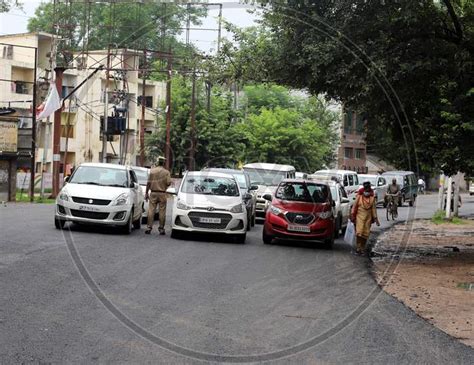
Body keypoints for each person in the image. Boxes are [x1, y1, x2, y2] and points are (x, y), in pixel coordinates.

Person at [351, 181, 380, 255]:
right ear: (364, 189)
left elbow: (373, 209)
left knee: (365, 234)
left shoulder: (372, 198)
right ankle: (358, 248)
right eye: (365, 188)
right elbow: (354, 206)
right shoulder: (359, 196)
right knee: (359, 233)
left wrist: (376, 219)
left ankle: (362, 248)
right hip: (359, 217)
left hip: (368, 218)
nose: (367, 191)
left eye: (368, 188)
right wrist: (352, 215)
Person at [145, 156, 171, 235]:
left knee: (151, 211)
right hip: (162, 193)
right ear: (163, 163)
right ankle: (161, 229)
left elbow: (148, 183)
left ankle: (149, 228)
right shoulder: (166, 172)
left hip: (153, 193)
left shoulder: (152, 171)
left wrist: (146, 193)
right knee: (162, 211)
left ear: (157, 162)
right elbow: (168, 183)